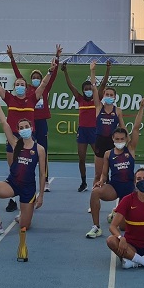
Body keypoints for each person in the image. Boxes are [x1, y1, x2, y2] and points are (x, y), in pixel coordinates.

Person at [0, 57, 54, 212]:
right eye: (17, 84)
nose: (20, 86)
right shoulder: (9, 98)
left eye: (22, 85)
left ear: (26, 88)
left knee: (29, 169)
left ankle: (29, 197)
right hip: (12, 138)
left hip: (29, 138)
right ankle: (13, 198)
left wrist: (50, 70)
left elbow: (44, 84)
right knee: (14, 169)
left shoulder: (32, 98)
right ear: (14, 87)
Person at [0, 90, 46, 251]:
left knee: (25, 226)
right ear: (18, 129)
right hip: (12, 184)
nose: (24, 129)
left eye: (26, 126)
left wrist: (41, 196)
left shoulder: (39, 149)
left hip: (28, 189)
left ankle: (24, 214)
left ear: (31, 128)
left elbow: (41, 173)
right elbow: (4, 123)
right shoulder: (15, 143)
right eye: (21, 127)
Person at [87, 98, 144, 238]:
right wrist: (101, 182)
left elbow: (136, 127)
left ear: (126, 140)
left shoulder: (130, 149)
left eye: (122, 139)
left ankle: (117, 212)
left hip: (129, 190)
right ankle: (96, 227)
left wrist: (141, 108)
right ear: (113, 139)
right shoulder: (108, 154)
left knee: (123, 227)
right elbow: (104, 174)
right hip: (114, 187)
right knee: (95, 192)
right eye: (117, 139)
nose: (119, 141)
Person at [7, 44, 61, 191]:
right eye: (34, 78)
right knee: (25, 151)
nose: (36, 79)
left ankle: (45, 180)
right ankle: (19, 177)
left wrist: (57, 58)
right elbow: (17, 73)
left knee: (43, 150)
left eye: (38, 77)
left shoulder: (44, 89)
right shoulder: (29, 91)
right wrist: (12, 58)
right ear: (30, 81)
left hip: (41, 123)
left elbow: (53, 75)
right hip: (28, 124)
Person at [62, 60, 111, 192]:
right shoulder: (80, 99)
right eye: (86, 89)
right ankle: (83, 182)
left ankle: (106, 178)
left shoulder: (98, 98)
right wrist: (65, 71)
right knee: (81, 158)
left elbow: (104, 84)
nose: (89, 91)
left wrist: (107, 69)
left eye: (90, 89)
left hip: (95, 132)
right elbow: (70, 85)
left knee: (100, 156)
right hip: (82, 132)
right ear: (83, 90)